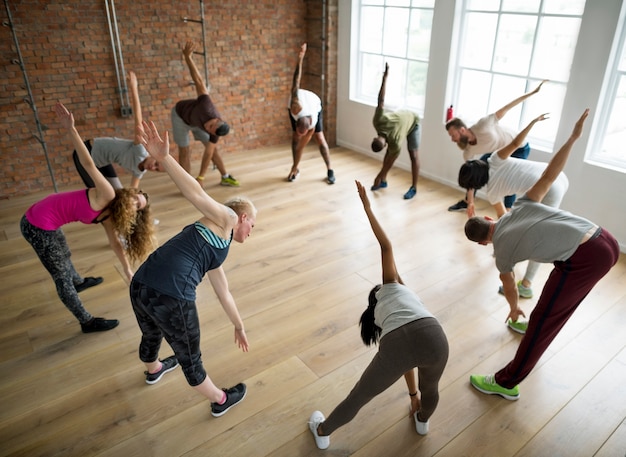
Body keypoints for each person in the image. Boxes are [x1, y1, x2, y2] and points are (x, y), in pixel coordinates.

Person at [464, 109, 619, 401]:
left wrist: (512, 309)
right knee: (549, 311)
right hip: (605, 237)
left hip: (587, 258)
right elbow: (550, 173)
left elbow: (509, 287)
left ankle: (506, 382)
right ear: (488, 220)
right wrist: (573, 138)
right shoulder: (522, 205)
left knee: (544, 321)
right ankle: (530, 326)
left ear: (483, 243)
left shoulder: (502, 255)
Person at [308, 180, 449, 450]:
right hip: (433, 334)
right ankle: (422, 420)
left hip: (398, 343)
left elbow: (406, 357)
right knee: (431, 388)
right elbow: (386, 248)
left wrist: (411, 393)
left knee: (359, 395)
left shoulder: (385, 311)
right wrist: (368, 208)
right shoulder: (396, 289)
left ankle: (323, 431)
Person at [130, 120, 255, 417]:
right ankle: (220, 400)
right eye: (253, 223)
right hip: (172, 294)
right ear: (244, 216)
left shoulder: (215, 248)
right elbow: (196, 194)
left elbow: (224, 292)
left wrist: (238, 325)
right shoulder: (227, 218)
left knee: (151, 334)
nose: (251, 231)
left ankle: (154, 369)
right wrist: (165, 158)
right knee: (191, 358)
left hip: (141, 283)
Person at [20, 102, 156, 333]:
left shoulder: (109, 215)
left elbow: (115, 244)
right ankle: (86, 321)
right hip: (36, 223)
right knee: (61, 275)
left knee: (64, 252)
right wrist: (71, 129)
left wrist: (128, 271)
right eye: (136, 199)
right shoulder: (108, 194)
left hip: (49, 219)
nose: (134, 205)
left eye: (138, 207)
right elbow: (88, 164)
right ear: (130, 193)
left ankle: (79, 282)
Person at [458, 113, 570, 312]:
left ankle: (526, 285)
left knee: (538, 238)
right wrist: (533, 122)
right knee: (535, 229)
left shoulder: (492, 193)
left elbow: (504, 219)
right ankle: (526, 282)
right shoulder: (494, 159)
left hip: (549, 190)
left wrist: (504, 243)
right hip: (556, 174)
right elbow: (518, 141)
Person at [72, 70, 160, 280]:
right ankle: (110, 228)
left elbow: (131, 193)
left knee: (120, 196)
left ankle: (121, 228)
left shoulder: (141, 169)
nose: (153, 167)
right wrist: (134, 88)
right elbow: (138, 120)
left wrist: (139, 213)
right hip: (86, 153)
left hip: (103, 162)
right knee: (107, 201)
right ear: (153, 155)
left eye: (157, 169)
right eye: (156, 163)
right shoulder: (140, 149)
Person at [446, 80, 548, 212]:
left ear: (462, 130)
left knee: (509, 180)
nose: (452, 139)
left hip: (519, 147)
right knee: (474, 171)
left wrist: (532, 93)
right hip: (498, 153)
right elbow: (471, 178)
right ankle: (467, 202)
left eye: (453, 135)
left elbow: (507, 107)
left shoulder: (483, 125)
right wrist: (471, 203)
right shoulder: (468, 151)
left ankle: (508, 210)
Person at [172, 40, 239, 187]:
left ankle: (225, 176)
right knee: (184, 150)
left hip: (195, 123)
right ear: (215, 119)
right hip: (181, 116)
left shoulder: (215, 131)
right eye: (210, 127)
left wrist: (201, 177)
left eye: (211, 131)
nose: (208, 130)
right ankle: (187, 185)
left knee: (212, 150)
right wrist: (188, 57)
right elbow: (198, 80)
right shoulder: (206, 106)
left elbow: (208, 153)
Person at [370, 63, 422, 200]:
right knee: (389, 156)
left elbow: (391, 161)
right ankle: (384, 181)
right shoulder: (377, 122)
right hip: (403, 115)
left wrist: (378, 175)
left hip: (413, 122)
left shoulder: (395, 140)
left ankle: (414, 187)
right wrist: (384, 78)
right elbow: (380, 100)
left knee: (413, 155)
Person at [287, 43, 335, 185]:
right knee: (295, 141)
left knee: (320, 139)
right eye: (299, 131)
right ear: (296, 124)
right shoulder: (295, 107)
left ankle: (330, 169)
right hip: (301, 101)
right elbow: (296, 81)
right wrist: (300, 58)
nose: (301, 134)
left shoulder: (313, 122)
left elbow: (303, 145)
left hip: (314, 102)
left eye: (304, 132)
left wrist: (304, 138)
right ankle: (295, 168)